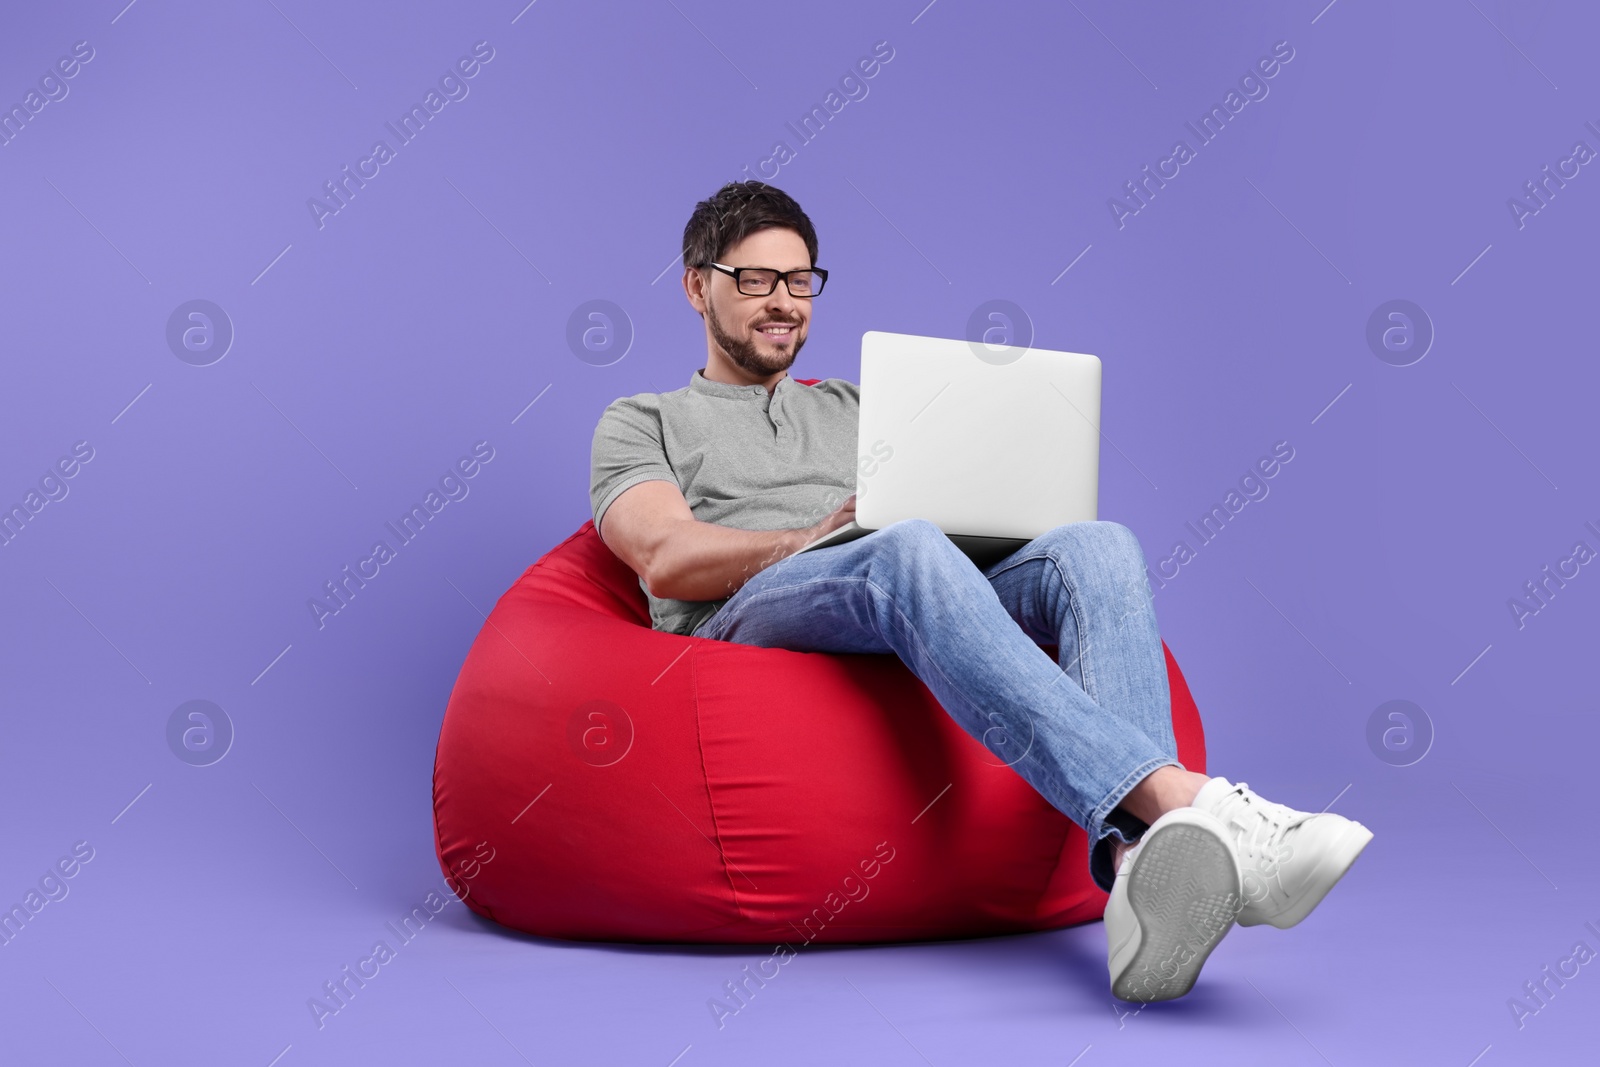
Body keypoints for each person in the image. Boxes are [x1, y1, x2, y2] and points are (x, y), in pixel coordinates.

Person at [589, 180, 1372, 1002]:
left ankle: (1140, 864)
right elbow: (667, 560)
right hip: (749, 613)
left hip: (894, 577)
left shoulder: (863, 409)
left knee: (1096, 547)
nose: (782, 302)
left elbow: (949, 521)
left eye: (799, 280)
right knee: (906, 546)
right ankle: (1195, 805)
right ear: (695, 285)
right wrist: (817, 535)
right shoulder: (643, 419)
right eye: (754, 280)